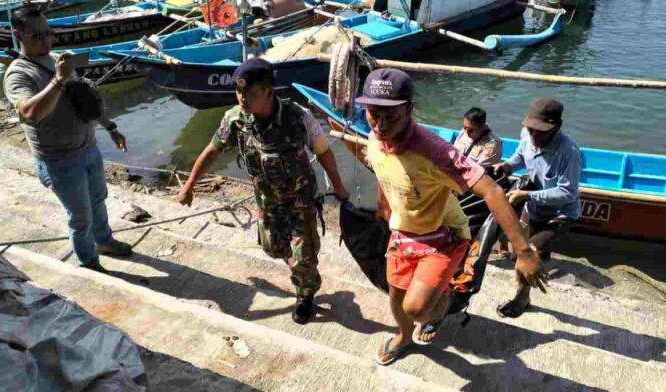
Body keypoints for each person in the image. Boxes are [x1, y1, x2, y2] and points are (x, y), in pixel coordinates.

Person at [350, 69, 547, 365]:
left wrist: (523, 249)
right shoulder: (374, 139)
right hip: (403, 232)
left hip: (444, 236)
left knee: (417, 309)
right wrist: (383, 205)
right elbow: (382, 169)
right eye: (374, 115)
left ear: (410, 110)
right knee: (395, 294)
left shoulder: (436, 152)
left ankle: (445, 300)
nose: (381, 125)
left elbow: (492, 191)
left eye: (392, 116)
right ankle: (404, 337)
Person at [177, 58, 349, 325]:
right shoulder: (235, 120)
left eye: (250, 93)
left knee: (303, 254)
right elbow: (212, 151)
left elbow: (323, 152)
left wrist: (338, 187)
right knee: (273, 248)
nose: (243, 98)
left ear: (269, 91)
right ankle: (300, 267)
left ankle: (305, 294)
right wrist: (189, 186)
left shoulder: (298, 117)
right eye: (238, 92)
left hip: (300, 201)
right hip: (267, 202)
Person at [4, 7, 132, 272]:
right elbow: (30, 113)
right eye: (38, 35)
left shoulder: (56, 60)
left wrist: (110, 127)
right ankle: (89, 263)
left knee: (98, 200)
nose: (46, 41)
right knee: (80, 217)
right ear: (18, 35)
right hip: (59, 161)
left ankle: (105, 241)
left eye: (49, 33)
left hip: (89, 149)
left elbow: (83, 100)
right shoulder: (19, 74)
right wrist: (59, 81)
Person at [493, 97, 581, 318]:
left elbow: (567, 192)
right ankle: (540, 259)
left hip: (560, 214)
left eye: (540, 132)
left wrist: (527, 195)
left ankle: (521, 299)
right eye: (531, 130)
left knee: (528, 254)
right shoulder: (528, 135)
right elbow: (520, 156)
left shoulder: (569, 152)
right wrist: (506, 166)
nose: (534, 136)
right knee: (517, 253)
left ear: (557, 127)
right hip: (534, 209)